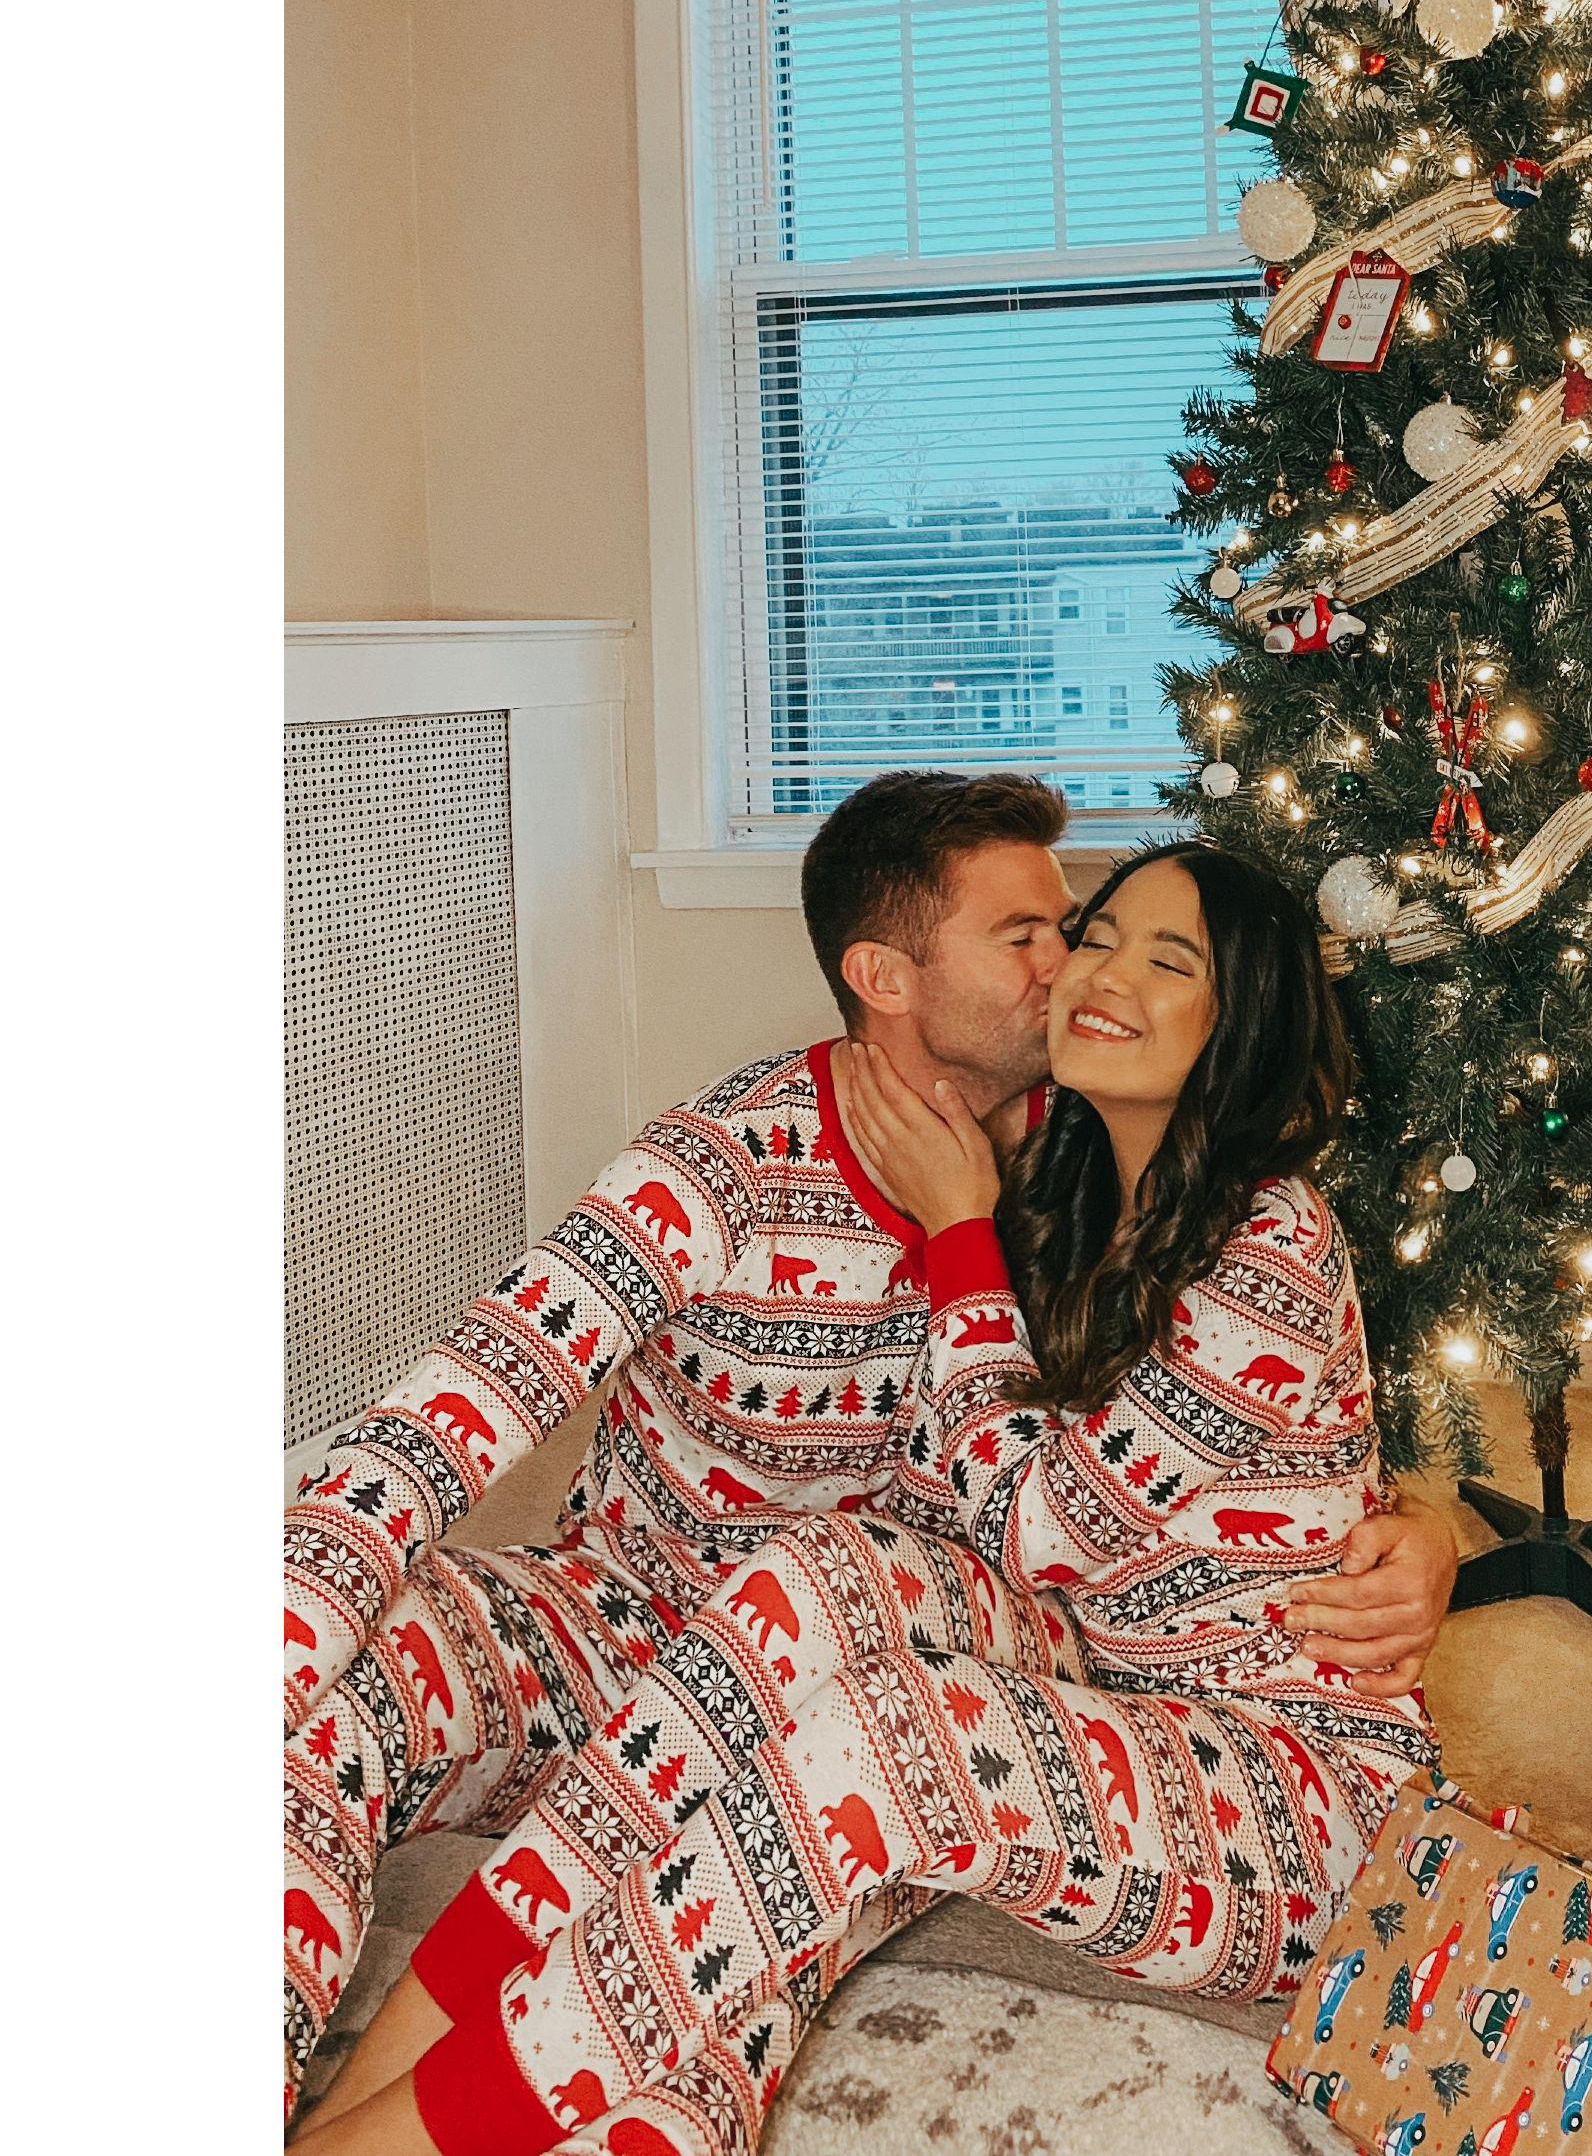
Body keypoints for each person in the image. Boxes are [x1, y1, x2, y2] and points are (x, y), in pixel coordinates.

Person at [285, 781, 1455, 2135]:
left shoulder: (1104, 1167)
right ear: (887, 978)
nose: (1074, 967)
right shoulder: (746, 1164)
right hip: (635, 1635)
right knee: (354, 1687)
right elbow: (459, 1403)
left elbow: (1145, 1485)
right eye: (1043, 935)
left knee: (843, 1761)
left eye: (1084, 930)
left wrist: (1431, 1529)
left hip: (1011, 1663)